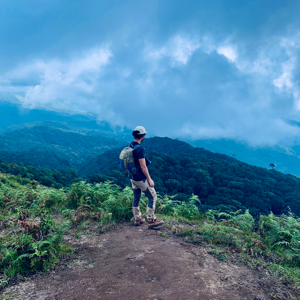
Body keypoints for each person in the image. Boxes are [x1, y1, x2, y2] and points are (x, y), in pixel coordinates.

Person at [129, 126, 164, 229]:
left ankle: (137, 218)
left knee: (136, 197)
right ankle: (151, 220)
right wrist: (149, 179)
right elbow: (143, 166)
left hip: (132, 177)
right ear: (143, 136)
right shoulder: (140, 149)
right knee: (152, 196)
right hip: (140, 178)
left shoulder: (131, 145)